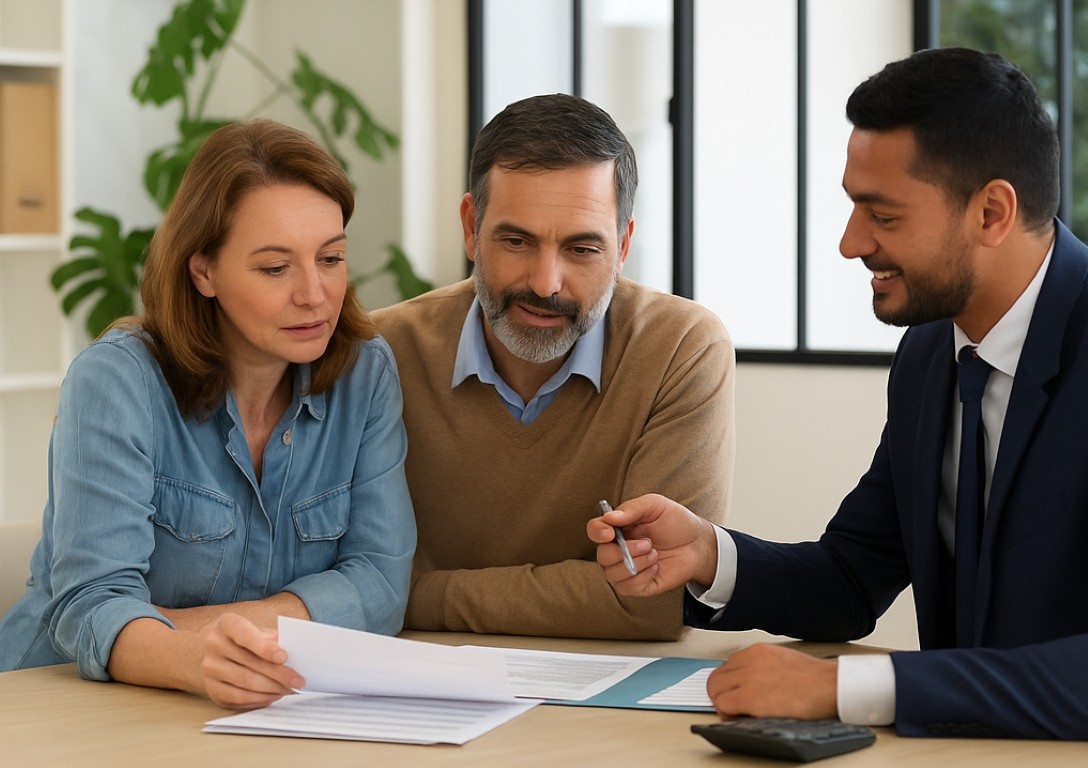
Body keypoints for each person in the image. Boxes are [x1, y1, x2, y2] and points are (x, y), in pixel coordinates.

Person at [588, 47, 1088, 740]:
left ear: (991, 213)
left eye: (882, 215)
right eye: (854, 206)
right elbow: (852, 581)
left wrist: (844, 686)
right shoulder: (929, 356)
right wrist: (706, 553)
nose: (851, 243)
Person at [0, 120, 416, 710]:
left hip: (250, 705)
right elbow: (93, 606)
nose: (314, 294)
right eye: (275, 268)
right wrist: (198, 657)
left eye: (331, 258)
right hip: (59, 706)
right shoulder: (116, 381)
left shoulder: (364, 373)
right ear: (204, 271)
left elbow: (379, 584)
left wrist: (190, 629)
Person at [371, 93, 734, 640]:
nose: (546, 283)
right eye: (516, 241)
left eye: (583, 249)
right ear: (471, 226)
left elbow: (657, 599)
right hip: (414, 686)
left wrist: (403, 594)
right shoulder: (382, 352)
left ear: (623, 244)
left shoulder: (680, 349)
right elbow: (328, 576)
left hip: (610, 697)